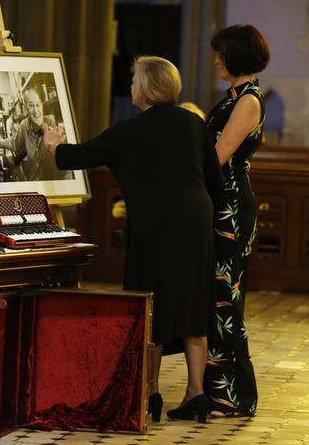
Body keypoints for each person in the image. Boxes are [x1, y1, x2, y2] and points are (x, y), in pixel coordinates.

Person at [43, 56, 224, 423]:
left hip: (156, 225)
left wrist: (53, 144)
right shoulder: (193, 123)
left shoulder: (129, 131)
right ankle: (196, 394)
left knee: (151, 301)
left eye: (133, 80)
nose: (130, 87)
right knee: (193, 304)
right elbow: (216, 183)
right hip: (195, 221)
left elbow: (74, 157)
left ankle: (150, 392)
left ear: (145, 87)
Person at [203, 24, 270, 417]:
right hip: (221, 201)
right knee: (217, 298)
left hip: (231, 206)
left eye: (221, 53)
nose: (216, 60)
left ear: (236, 56)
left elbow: (218, 155)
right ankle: (219, 392)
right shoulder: (235, 95)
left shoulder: (247, 100)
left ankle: (236, 396)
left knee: (225, 298)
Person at [0, 87, 71, 181]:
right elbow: (14, 143)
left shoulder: (54, 125)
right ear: (25, 108)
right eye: (31, 105)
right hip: (35, 184)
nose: (35, 110)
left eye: (38, 105)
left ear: (42, 105)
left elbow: (68, 167)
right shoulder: (24, 125)